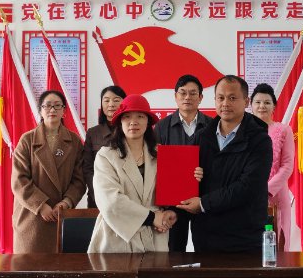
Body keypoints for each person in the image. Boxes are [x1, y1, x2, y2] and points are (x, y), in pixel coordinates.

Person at [88, 94, 202, 253]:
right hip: (116, 238)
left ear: (148, 121)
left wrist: (191, 178)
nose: (133, 122)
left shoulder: (161, 154)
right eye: (127, 117)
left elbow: (174, 193)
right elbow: (111, 202)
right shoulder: (106, 156)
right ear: (120, 122)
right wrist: (152, 218)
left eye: (140, 116)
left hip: (155, 237)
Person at [177, 75, 273, 252]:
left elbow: (248, 187)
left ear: (246, 102)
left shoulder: (260, 140)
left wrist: (204, 204)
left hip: (244, 239)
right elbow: (188, 180)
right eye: (221, 98)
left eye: (232, 98)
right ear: (215, 100)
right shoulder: (202, 136)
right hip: (205, 238)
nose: (225, 103)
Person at [11, 90, 86, 253]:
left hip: (61, 215)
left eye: (57, 106)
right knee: (29, 265)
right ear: (40, 110)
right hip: (31, 216)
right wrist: (40, 205)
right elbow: (19, 180)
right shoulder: (27, 140)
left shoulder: (74, 141)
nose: (52, 110)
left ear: (64, 110)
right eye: (47, 106)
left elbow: (79, 180)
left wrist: (66, 202)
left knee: (60, 264)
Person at [154, 74, 212, 251]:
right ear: (175, 96)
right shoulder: (161, 127)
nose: (187, 97)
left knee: (206, 251)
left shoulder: (212, 126)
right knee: (173, 252)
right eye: (183, 92)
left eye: (193, 93)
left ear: (200, 98)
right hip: (172, 203)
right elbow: (155, 163)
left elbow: (218, 161)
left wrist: (206, 171)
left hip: (203, 199)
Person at [251, 83, 294, 252]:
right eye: (258, 102)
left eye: (267, 102)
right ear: (251, 105)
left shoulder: (284, 130)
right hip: (249, 195)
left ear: (274, 106)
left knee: (277, 245)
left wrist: (266, 190)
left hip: (276, 196)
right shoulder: (244, 132)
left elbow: (288, 165)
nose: (262, 106)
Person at [82, 86, 126, 208]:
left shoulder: (132, 130)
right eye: (106, 100)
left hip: (128, 197)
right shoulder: (93, 133)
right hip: (98, 198)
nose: (111, 104)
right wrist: (98, 193)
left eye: (116, 100)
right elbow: (87, 168)